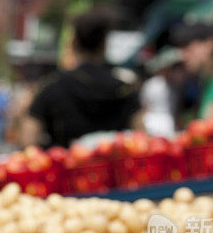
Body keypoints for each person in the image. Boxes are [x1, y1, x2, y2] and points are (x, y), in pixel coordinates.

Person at [21, 8, 140, 148]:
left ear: (74, 43)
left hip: (66, 166)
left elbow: (28, 139)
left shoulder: (53, 86)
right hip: (113, 167)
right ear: (103, 45)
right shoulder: (123, 89)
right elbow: (141, 137)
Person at [140, 48, 184, 138]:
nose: (177, 72)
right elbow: (144, 108)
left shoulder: (177, 86)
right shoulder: (153, 85)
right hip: (152, 127)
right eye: (174, 68)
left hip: (170, 129)